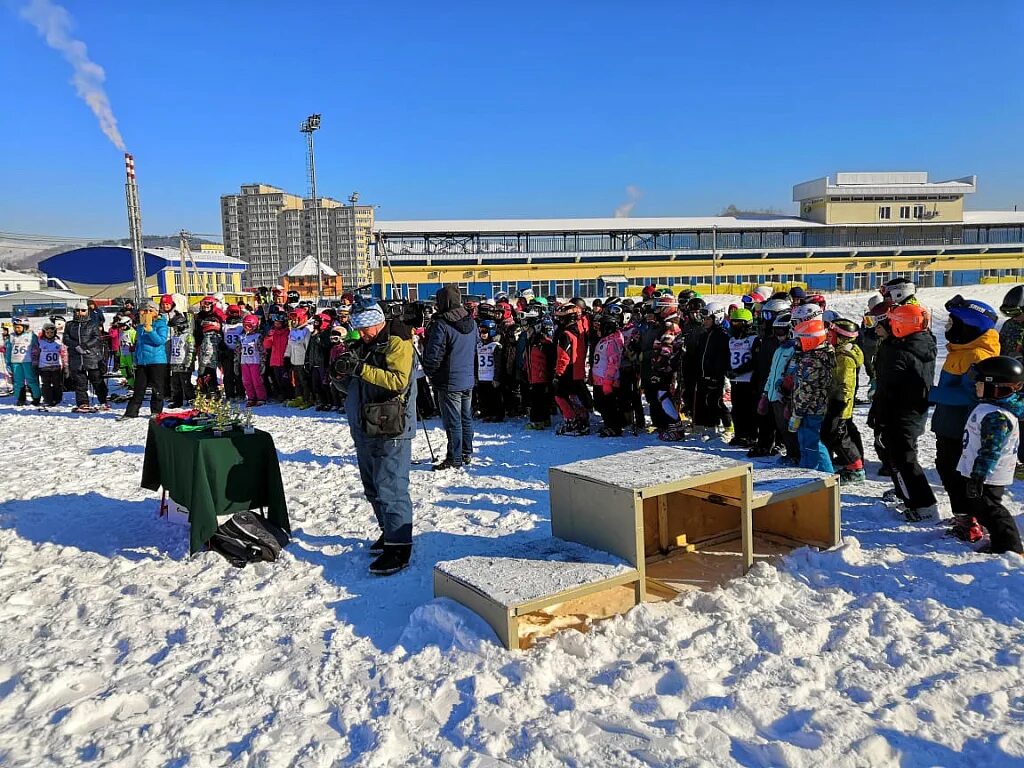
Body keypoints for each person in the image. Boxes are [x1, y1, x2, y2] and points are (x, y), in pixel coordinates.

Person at [334, 302, 417, 575]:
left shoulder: (397, 342)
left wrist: (360, 368)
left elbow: (397, 382)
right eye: (356, 328)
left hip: (391, 426)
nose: (361, 333)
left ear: (378, 322)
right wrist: (339, 374)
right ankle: (388, 532)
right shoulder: (365, 344)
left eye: (364, 327)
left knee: (390, 488)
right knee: (372, 487)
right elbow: (356, 385)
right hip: (365, 424)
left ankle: (399, 547)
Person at [929, 297, 1000, 539]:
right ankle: (966, 515)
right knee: (947, 468)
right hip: (948, 424)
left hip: (960, 428)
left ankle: (968, 522)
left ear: (970, 325)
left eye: (953, 322)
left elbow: (970, 395)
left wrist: (931, 392)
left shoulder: (977, 355)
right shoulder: (962, 351)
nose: (948, 326)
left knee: (954, 473)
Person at [870, 303, 938, 520]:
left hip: (899, 413)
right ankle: (907, 494)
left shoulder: (899, 352)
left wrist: (879, 420)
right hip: (913, 410)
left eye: (892, 321)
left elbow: (888, 389)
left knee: (903, 458)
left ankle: (922, 505)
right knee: (904, 456)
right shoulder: (922, 341)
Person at [958, 356, 1024, 554]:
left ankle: (1009, 546)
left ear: (995, 387)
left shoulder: (997, 416)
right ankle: (1001, 541)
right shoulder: (990, 408)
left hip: (989, 475)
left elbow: (990, 450)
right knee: (983, 508)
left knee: (991, 510)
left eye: (979, 384)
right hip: (982, 472)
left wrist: (979, 475)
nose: (976, 387)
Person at [422, 285, 478, 470]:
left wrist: (429, 371)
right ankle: (466, 452)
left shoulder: (442, 325)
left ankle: (454, 457)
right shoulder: (472, 322)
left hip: (449, 380)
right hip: (467, 377)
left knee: (453, 421)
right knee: (465, 418)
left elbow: (433, 355)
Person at [789, 318, 835, 473]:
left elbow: (806, 390)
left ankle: (815, 477)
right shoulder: (821, 354)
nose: (797, 343)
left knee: (811, 444)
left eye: (799, 339)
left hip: (811, 409)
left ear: (810, 340)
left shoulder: (811, 360)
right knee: (809, 443)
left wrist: (797, 414)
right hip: (813, 408)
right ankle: (814, 472)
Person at [823, 318, 865, 482]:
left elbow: (845, 384)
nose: (828, 337)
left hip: (839, 404)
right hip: (836, 402)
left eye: (831, 334)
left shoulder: (845, 358)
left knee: (839, 436)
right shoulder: (838, 352)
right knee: (834, 433)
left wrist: (839, 404)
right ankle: (847, 461)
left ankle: (856, 468)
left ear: (841, 337)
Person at [118, 301, 169, 419]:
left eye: (150, 311)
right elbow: (139, 343)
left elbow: (160, 341)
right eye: (145, 311)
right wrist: (136, 359)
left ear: (156, 312)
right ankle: (131, 412)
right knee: (138, 388)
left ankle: (156, 411)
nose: (147, 313)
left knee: (157, 388)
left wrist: (150, 330)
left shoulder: (161, 324)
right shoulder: (140, 326)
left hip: (157, 361)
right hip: (142, 361)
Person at [64, 302, 110, 413]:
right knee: (80, 383)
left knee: (97, 380)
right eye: (78, 310)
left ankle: (103, 400)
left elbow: (97, 337)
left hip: (91, 357)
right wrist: (76, 346)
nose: (80, 312)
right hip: (76, 357)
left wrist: (85, 345)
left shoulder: (92, 324)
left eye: (83, 310)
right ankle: (83, 403)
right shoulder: (70, 324)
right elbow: (65, 338)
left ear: (86, 312)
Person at [726, 307, 759, 447]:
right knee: (737, 410)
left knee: (749, 410)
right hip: (735, 381)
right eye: (733, 323)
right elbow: (729, 357)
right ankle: (740, 435)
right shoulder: (731, 340)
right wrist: (728, 370)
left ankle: (751, 436)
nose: (735, 326)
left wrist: (739, 371)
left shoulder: (753, 339)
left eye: (739, 323)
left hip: (749, 381)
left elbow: (755, 361)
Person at [5, 317, 40, 407]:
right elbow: (8, 350)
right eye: (15, 327)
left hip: (27, 361)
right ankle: (21, 398)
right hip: (15, 362)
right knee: (18, 381)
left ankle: (36, 398)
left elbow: (36, 349)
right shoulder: (11, 337)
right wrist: (8, 363)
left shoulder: (31, 336)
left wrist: (36, 362)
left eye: (19, 327)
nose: (17, 329)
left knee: (31, 380)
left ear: (25, 327)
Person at [35, 321, 68, 408]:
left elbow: (64, 353)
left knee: (57, 384)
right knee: (46, 384)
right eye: (47, 332)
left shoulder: (58, 342)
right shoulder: (40, 342)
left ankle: (57, 399)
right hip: (44, 367)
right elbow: (36, 354)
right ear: (44, 332)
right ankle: (48, 399)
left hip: (56, 367)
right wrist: (35, 364)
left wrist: (65, 365)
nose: (49, 334)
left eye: (52, 332)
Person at [167, 313, 196, 408]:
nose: (174, 329)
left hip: (184, 363)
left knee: (186, 383)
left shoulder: (188, 336)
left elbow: (191, 350)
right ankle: (177, 401)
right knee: (175, 384)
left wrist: (188, 362)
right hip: (175, 362)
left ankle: (191, 399)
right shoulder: (175, 336)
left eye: (176, 327)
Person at [238, 313, 268, 407]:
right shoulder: (241, 337)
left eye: (249, 326)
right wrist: (236, 362)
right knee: (246, 381)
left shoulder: (258, 336)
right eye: (245, 326)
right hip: (244, 361)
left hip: (255, 361)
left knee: (256, 381)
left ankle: (261, 397)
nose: (247, 328)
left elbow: (262, 350)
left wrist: (263, 362)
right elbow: (238, 350)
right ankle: (251, 397)